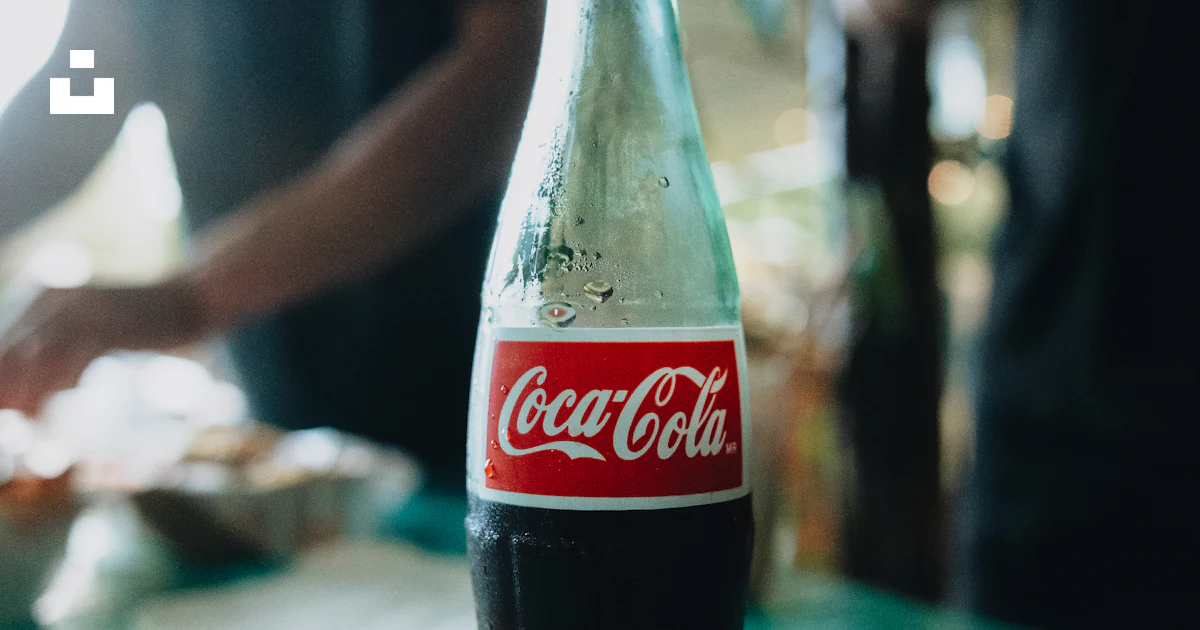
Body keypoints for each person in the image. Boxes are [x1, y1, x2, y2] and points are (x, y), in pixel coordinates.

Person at [0, 0, 545, 498]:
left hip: (506, 411)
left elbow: (502, 68)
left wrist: (194, 294)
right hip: (290, 430)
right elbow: (87, 88)